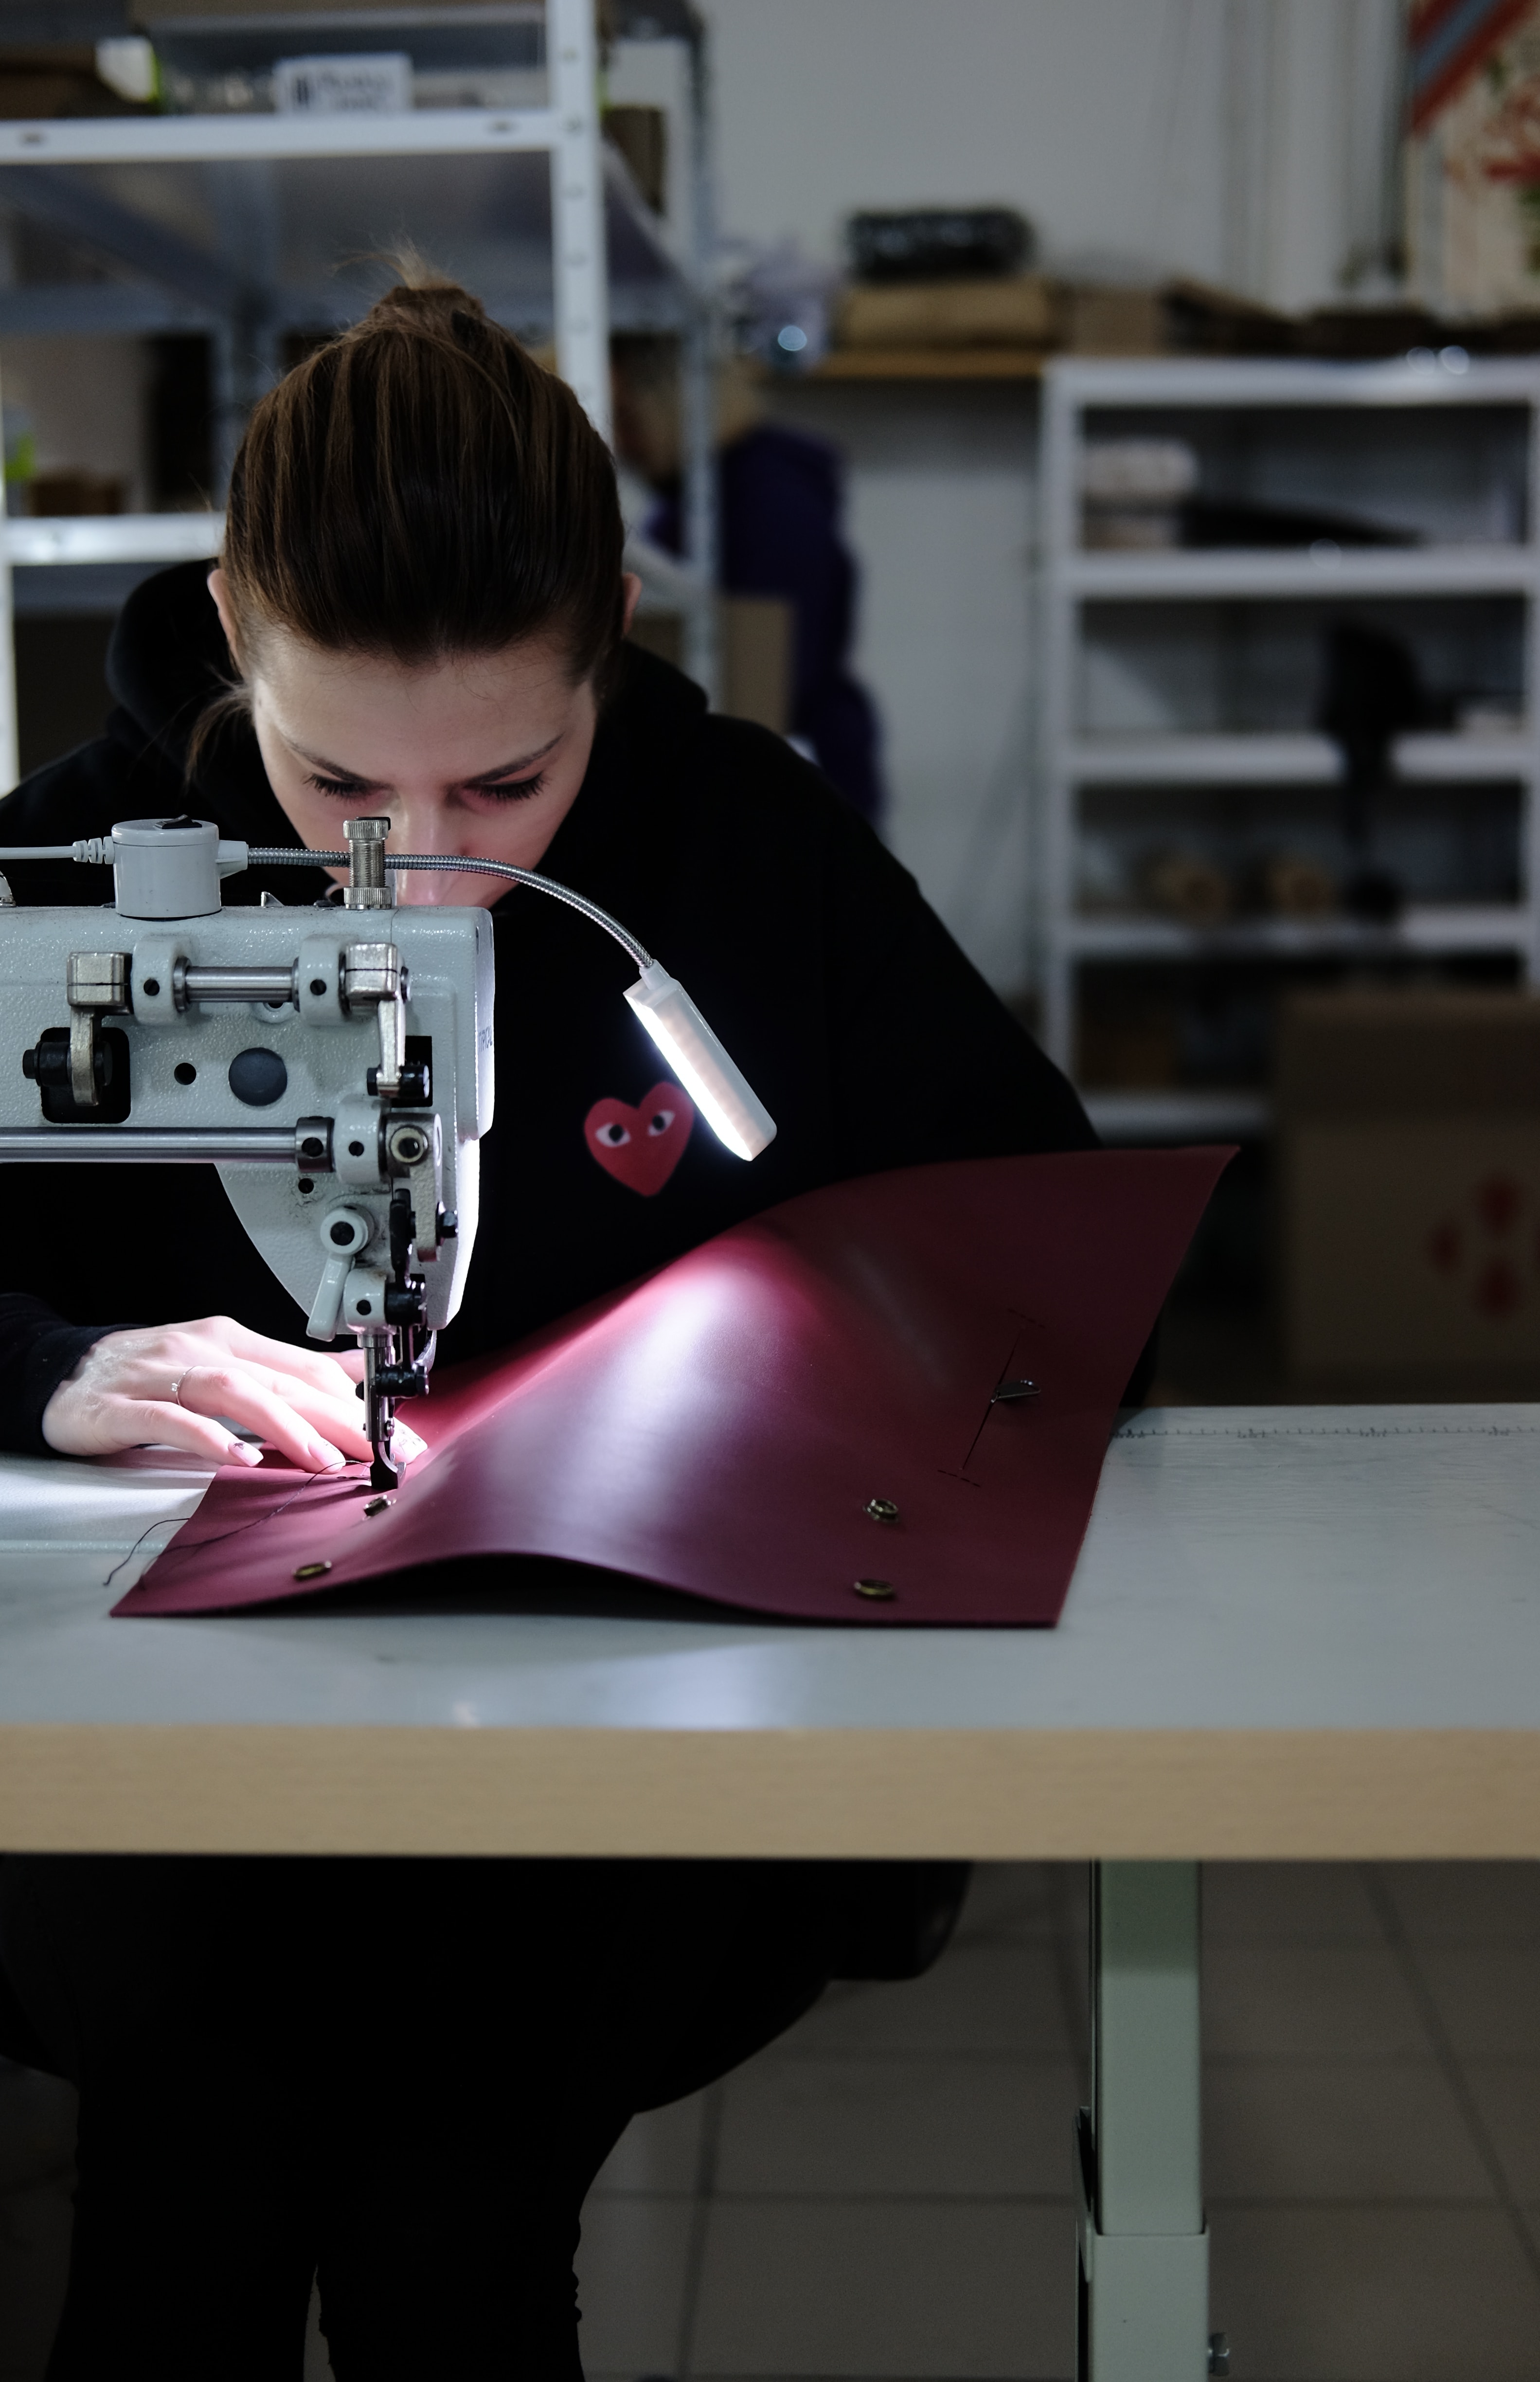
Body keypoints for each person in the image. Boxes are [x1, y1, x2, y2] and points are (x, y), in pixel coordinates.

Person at [0, 276, 1114, 2378]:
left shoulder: (745, 850)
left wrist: (764, 1366)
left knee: (453, 2229)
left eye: (509, 786)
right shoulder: (63, 878)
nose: (418, 878)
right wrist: (46, 1364)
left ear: (610, 624)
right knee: (182, 2219)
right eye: (337, 786)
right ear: (235, 619)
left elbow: (1052, 1265)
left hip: (590, 1760)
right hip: (169, 1762)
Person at [611, 337, 887, 820]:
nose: (620, 444)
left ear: (669, 409)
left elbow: (772, 675)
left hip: (804, 786)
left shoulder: (770, 503)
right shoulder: (699, 501)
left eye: (627, 420)